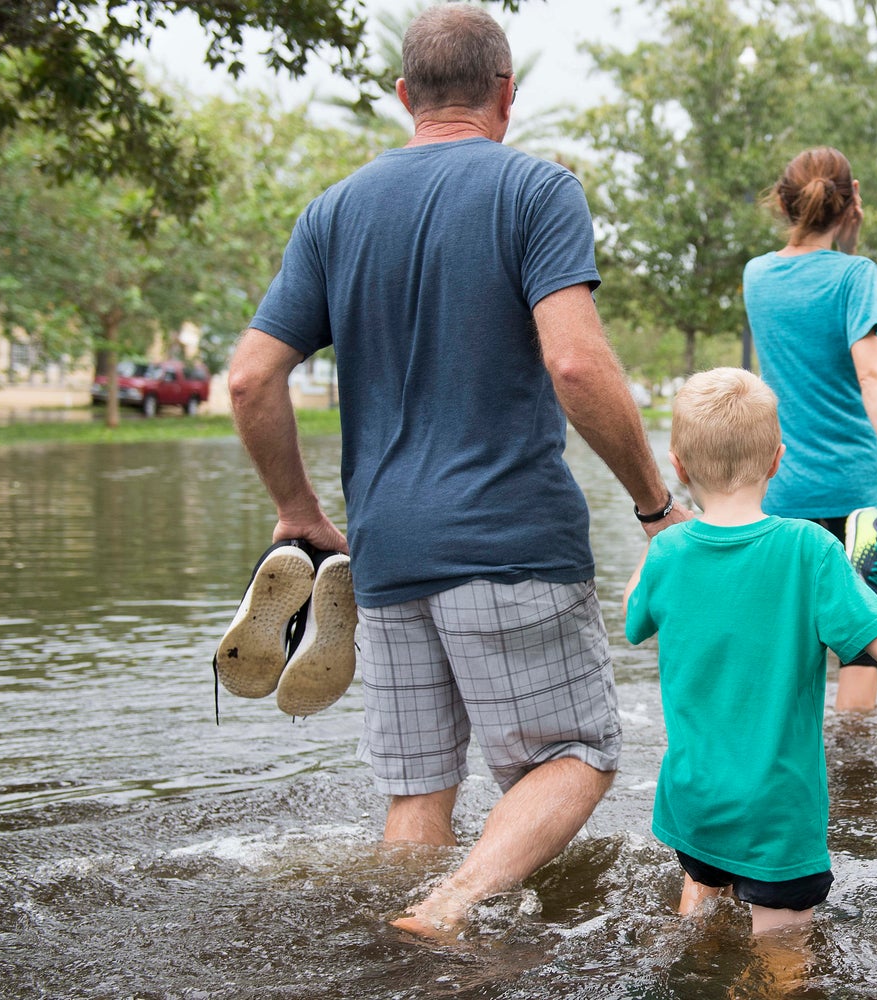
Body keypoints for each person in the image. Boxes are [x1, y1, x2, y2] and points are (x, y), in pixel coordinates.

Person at [227, 3, 688, 940]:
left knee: (418, 793)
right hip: (509, 541)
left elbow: (247, 378)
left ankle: (406, 947)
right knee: (577, 752)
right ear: (505, 95)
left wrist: (298, 509)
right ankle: (447, 910)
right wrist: (654, 503)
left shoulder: (334, 212)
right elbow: (575, 364)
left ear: (405, 96)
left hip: (385, 552)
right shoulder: (535, 191)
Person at [624, 368, 877, 946]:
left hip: (692, 796)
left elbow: (633, 621)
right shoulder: (808, 548)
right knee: (783, 952)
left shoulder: (668, 550)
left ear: (678, 464)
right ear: (777, 460)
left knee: (697, 916)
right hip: (777, 810)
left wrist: (659, 541)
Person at [743, 147, 877, 712]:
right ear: (852, 201)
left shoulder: (758, 275)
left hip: (782, 490)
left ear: (783, 199)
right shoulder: (856, 275)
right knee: (860, 645)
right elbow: (873, 374)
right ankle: (855, 784)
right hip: (858, 494)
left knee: (790, 642)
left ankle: (795, 768)